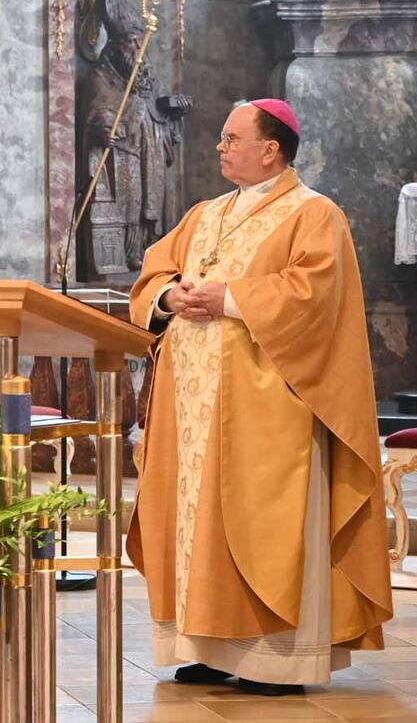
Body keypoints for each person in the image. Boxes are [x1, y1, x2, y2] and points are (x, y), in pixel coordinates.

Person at [127, 99, 393, 695]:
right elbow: (154, 273)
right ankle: (214, 648)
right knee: (199, 523)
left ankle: (276, 658)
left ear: (270, 148)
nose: (219, 148)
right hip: (191, 404)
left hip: (267, 404)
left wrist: (226, 299)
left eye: (230, 138)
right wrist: (171, 298)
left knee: (262, 522)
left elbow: (314, 295)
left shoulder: (315, 214)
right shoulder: (204, 213)